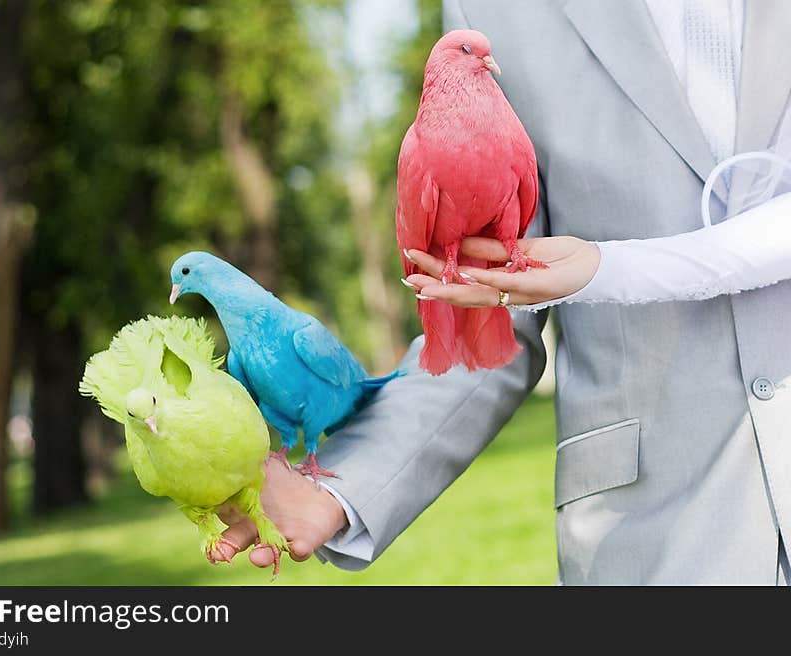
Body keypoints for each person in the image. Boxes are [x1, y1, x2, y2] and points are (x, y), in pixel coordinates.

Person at [215, 0, 791, 584]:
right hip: (654, 529)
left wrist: (608, 266)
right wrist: (344, 487)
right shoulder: (495, 12)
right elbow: (486, 298)